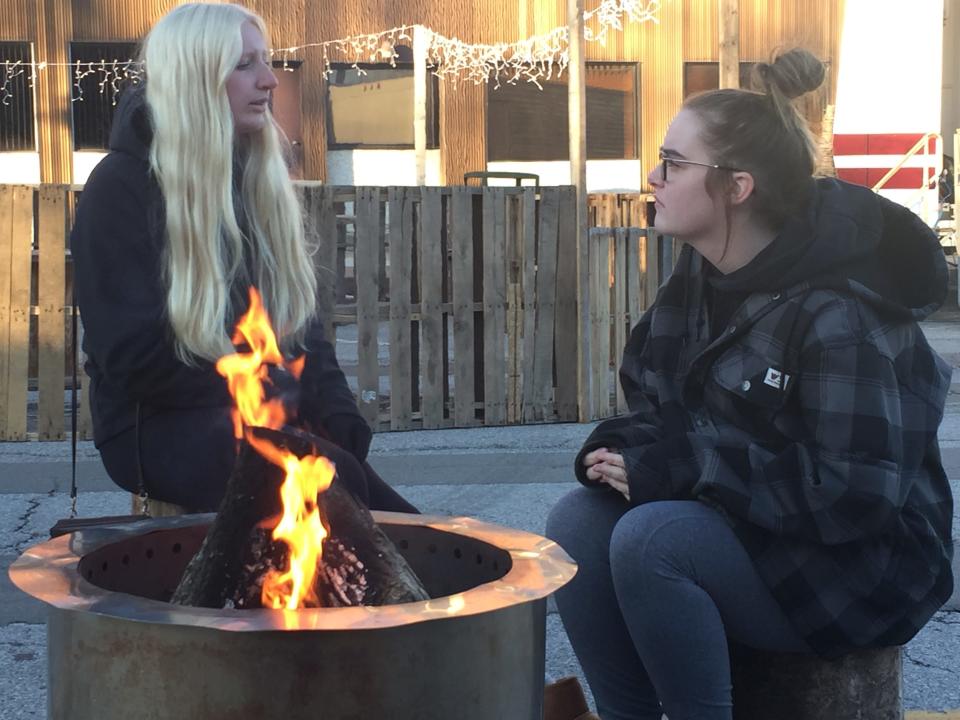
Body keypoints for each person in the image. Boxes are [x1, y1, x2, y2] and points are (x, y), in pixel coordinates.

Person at [545, 48, 954, 720]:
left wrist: (689, 466)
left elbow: (856, 496)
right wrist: (621, 451)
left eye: (674, 163)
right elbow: (659, 405)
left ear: (737, 187)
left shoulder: (837, 310)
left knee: (653, 541)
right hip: (755, 527)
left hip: (860, 567)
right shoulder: (699, 280)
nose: (653, 176)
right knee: (577, 522)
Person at [71, 2, 416, 514]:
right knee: (336, 488)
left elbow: (299, 323)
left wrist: (336, 410)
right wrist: (263, 379)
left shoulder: (254, 181)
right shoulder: (120, 189)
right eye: (244, 64)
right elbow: (131, 360)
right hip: (156, 425)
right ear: (196, 80)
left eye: (266, 60)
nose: (271, 80)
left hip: (263, 410)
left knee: (411, 529)